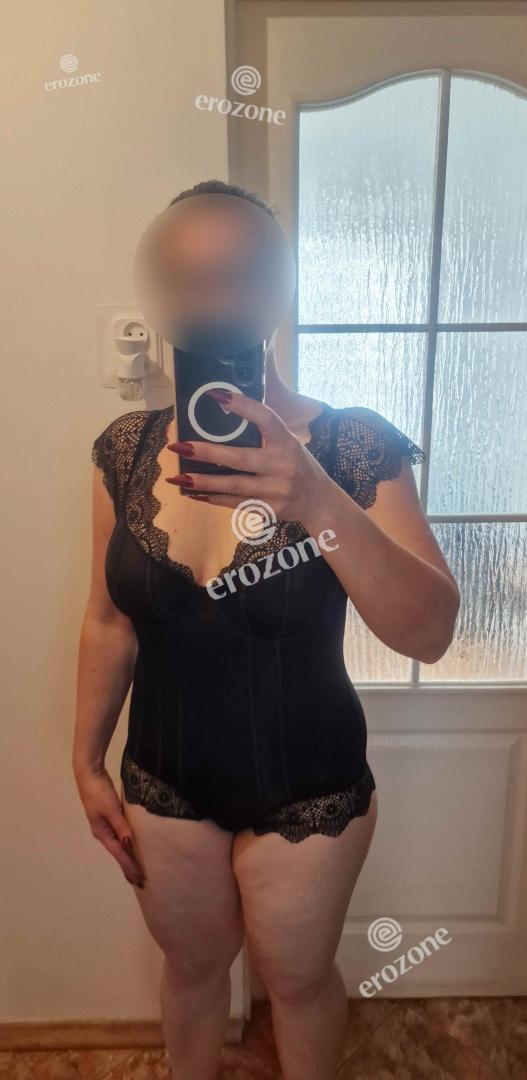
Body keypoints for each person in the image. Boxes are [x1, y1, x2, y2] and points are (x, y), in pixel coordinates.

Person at [73, 179, 460, 1080]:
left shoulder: (352, 447)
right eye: (186, 277)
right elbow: (107, 621)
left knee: (297, 981)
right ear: (159, 291)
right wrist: (85, 762)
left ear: (277, 288)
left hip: (309, 791)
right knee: (192, 972)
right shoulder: (124, 450)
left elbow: (430, 632)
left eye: (236, 275)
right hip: (163, 782)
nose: (211, 299)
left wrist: (315, 499)